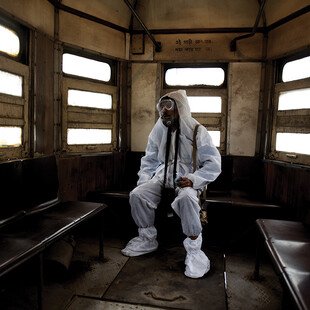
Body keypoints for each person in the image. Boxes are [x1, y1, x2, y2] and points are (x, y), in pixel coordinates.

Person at [121, 89, 221, 278]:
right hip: (162, 175)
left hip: (188, 177)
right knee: (138, 195)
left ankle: (194, 251)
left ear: (180, 108)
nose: (164, 111)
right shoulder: (159, 129)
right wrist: (144, 181)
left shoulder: (198, 130)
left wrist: (193, 180)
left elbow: (213, 164)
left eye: (169, 106)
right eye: (161, 107)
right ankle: (147, 239)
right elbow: (149, 159)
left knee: (187, 200)